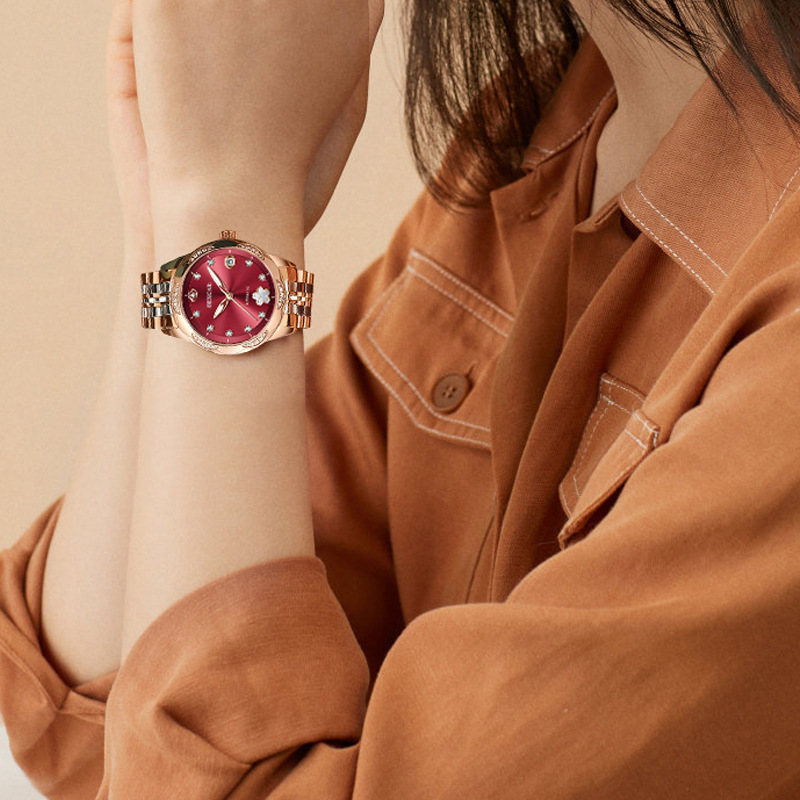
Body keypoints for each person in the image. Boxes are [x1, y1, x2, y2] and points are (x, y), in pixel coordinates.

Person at [2, 0, 800, 795]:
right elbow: (79, 713)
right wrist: (179, 204)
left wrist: (227, 205)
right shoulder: (548, 128)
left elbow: (176, 755)